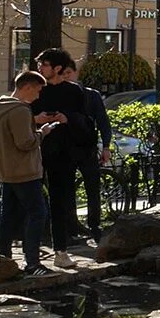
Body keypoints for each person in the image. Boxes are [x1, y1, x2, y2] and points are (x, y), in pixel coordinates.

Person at [0, 71, 58, 276]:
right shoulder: (20, 110)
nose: (38, 96)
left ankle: (4, 260)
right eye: (37, 90)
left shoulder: (1, 108)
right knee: (38, 214)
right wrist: (42, 133)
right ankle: (32, 263)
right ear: (27, 87)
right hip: (24, 172)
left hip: (7, 171)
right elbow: (25, 143)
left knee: (8, 217)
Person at [31, 48, 88, 269]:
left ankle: (60, 250)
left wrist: (68, 118)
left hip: (63, 153)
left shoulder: (74, 91)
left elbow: (84, 120)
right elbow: (22, 112)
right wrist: (36, 119)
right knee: (30, 202)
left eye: (44, 65)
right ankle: (28, 252)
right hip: (35, 151)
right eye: (39, 64)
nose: (40, 68)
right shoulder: (35, 88)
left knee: (59, 203)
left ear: (57, 68)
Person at [62, 62, 112, 242]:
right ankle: (71, 228)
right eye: (62, 73)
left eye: (68, 72)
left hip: (87, 148)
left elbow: (103, 122)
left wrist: (106, 146)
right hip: (65, 149)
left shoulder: (91, 95)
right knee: (66, 191)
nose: (66, 76)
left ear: (76, 73)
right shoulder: (59, 95)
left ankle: (94, 225)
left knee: (93, 188)